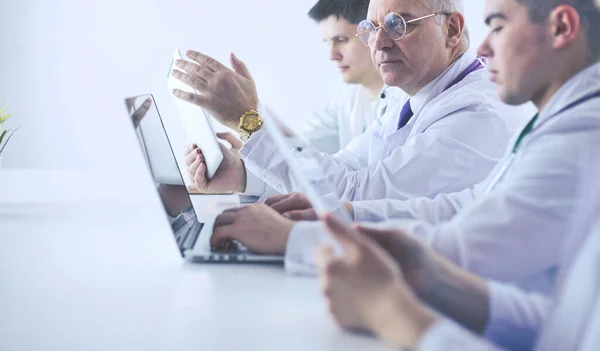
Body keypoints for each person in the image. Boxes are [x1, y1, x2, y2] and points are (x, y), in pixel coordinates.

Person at [315, 0, 600, 351]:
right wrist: (425, 271)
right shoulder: (561, 117)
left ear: (561, 27)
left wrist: (396, 316)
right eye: (372, 30)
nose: (481, 47)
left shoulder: (581, 134)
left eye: (496, 26)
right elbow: (567, 328)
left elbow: (470, 246)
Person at [174, 0, 531, 203]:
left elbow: (354, 199)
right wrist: (244, 175)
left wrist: (247, 119)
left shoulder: (475, 114)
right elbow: (337, 172)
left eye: (397, 24)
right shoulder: (406, 99)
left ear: (452, 30)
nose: (378, 44)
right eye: (370, 29)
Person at [303, 0, 406, 154]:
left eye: (341, 40)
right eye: (328, 43)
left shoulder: (407, 100)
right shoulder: (345, 95)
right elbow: (304, 150)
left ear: (373, 32)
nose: (332, 56)